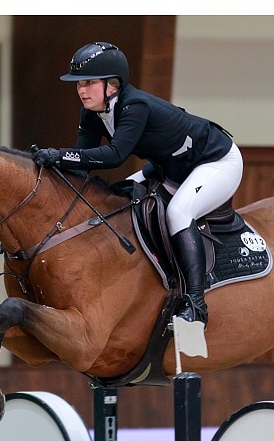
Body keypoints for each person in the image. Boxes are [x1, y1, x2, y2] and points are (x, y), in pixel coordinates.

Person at [32, 42, 243, 325]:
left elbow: (115, 155)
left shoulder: (135, 106)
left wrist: (58, 155)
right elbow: (81, 165)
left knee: (179, 212)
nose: (81, 90)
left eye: (89, 82)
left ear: (113, 85)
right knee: (116, 197)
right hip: (170, 167)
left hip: (215, 161)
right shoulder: (92, 113)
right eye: (79, 83)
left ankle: (195, 305)